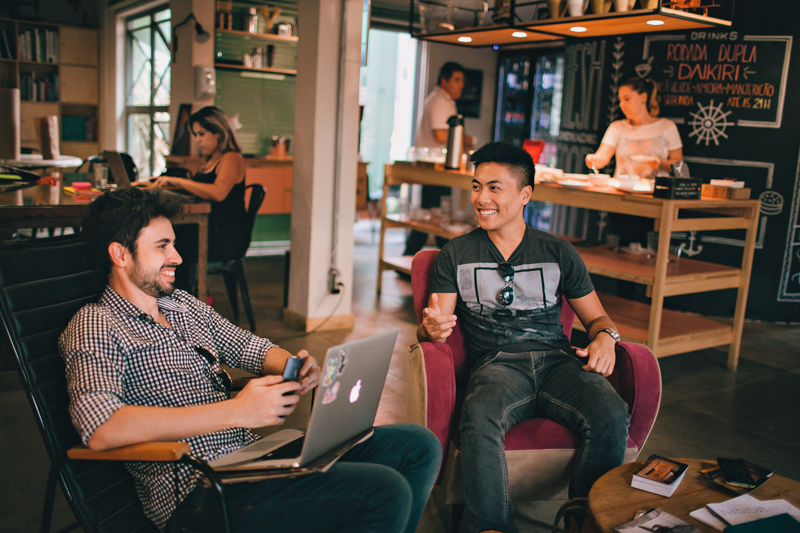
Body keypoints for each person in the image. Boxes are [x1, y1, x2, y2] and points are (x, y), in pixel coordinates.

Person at [60, 187, 442, 532]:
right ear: (120, 254)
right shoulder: (96, 323)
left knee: (417, 445)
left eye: (173, 243)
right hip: (198, 492)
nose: (176, 256)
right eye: (162, 246)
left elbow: (252, 348)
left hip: (251, 462)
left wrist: (294, 367)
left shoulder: (182, 306)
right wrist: (236, 412)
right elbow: (101, 428)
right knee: (382, 491)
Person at [418, 142, 630, 533]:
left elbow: (598, 317)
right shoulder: (456, 253)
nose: (481, 199)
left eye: (494, 188)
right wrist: (430, 329)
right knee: (479, 418)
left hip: (558, 362)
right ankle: (492, 528)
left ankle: (583, 522)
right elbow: (436, 322)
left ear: (525, 194)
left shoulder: (558, 252)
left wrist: (606, 338)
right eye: (476, 186)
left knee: (612, 414)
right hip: (497, 365)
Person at [145, 106, 248, 292]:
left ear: (218, 132)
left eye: (201, 133)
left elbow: (218, 192)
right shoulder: (212, 159)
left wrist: (177, 181)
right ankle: (172, 298)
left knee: (170, 244)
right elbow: (201, 189)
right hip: (208, 228)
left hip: (223, 236)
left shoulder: (231, 158)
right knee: (166, 238)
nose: (197, 140)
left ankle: (179, 301)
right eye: (195, 134)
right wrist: (161, 184)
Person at [404, 62, 474, 257]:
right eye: (457, 80)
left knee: (437, 216)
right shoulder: (438, 101)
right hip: (434, 169)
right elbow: (441, 135)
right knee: (433, 217)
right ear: (444, 80)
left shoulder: (446, 101)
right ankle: (412, 259)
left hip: (441, 169)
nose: (461, 85)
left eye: (462, 81)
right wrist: (465, 138)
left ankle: (442, 259)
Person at [585, 77, 683, 180]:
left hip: (655, 192)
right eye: (620, 100)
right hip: (621, 191)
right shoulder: (616, 127)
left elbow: (679, 166)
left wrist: (660, 163)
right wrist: (593, 160)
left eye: (627, 99)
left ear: (643, 97)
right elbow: (603, 156)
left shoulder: (667, 127)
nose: (622, 105)